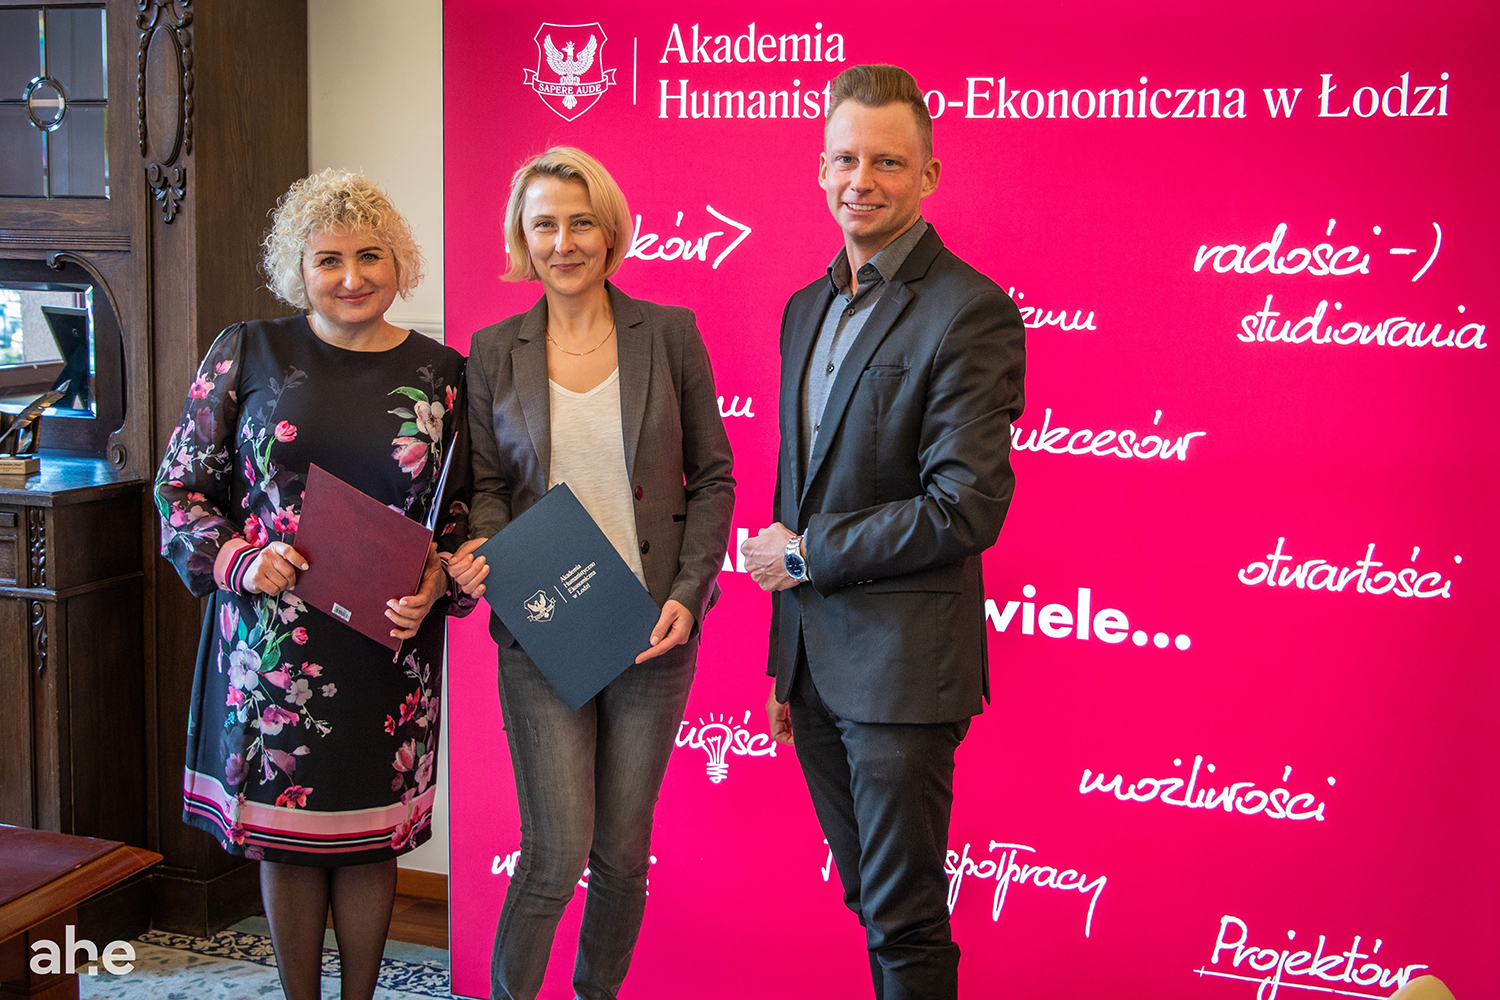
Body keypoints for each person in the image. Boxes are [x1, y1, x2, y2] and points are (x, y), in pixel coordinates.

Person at [740, 64, 1026, 1000]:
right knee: (870, 902)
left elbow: (965, 505)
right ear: (820, 168)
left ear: (929, 175)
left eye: (887, 162)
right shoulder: (805, 307)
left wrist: (805, 557)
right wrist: (786, 662)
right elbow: (800, 487)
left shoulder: (969, 309)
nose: (860, 180)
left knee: (902, 919)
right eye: (844, 159)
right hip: (815, 669)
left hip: (902, 674)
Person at [154, 168, 475, 1000]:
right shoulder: (247, 349)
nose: (352, 276)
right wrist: (238, 558)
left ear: (400, 263)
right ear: (297, 269)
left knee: (368, 843)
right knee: (288, 842)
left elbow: (464, 515)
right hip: (271, 648)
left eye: (371, 256)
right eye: (328, 259)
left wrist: (440, 578)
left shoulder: (445, 373)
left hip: (388, 647)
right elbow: (180, 487)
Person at [443, 146, 735, 1000]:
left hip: (652, 630)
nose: (563, 242)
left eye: (580, 223)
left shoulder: (670, 333)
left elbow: (713, 476)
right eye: (545, 225)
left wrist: (688, 595)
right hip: (544, 628)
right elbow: (488, 487)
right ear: (522, 237)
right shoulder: (491, 350)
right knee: (554, 852)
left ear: (609, 232)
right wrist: (489, 549)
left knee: (620, 855)